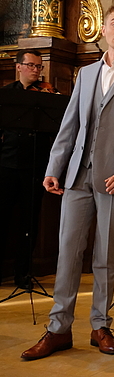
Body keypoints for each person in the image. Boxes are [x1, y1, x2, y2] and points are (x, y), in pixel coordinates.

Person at [20, 4, 114, 360]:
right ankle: (58, 329)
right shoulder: (84, 75)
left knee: (104, 256)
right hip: (77, 175)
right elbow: (69, 125)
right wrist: (55, 166)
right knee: (67, 251)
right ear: (104, 29)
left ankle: (100, 325)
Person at [0, 49, 58, 289]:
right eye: (31, 65)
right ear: (19, 67)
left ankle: (23, 273)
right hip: (6, 165)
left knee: (29, 222)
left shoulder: (48, 97)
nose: (36, 70)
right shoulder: (5, 95)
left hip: (35, 166)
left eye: (39, 66)